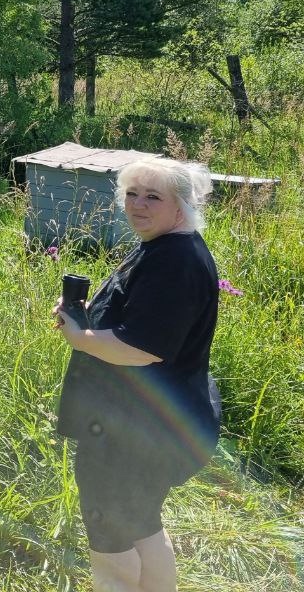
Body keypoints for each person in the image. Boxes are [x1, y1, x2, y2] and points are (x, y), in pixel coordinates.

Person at [53, 157, 221, 592]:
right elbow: (146, 322)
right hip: (151, 425)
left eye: (152, 196)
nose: (137, 205)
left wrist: (82, 337)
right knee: (142, 525)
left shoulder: (174, 261)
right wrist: (91, 317)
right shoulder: (166, 246)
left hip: (129, 432)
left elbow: (140, 348)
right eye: (131, 194)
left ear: (181, 206)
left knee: (109, 539)